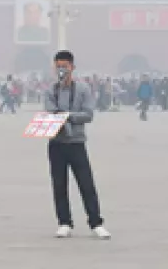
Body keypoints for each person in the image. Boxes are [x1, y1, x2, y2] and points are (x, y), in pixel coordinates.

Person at [44, 50, 111, 240]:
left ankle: (96, 223)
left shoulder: (83, 89)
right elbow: (50, 112)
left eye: (64, 66)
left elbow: (88, 114)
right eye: (58, 67)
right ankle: (64, 222)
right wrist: (66, 116)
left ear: (72, 67)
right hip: (56, 143)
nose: (61, 70)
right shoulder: (50, 90)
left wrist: (67, 116)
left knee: (86, 183)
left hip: (76, 143)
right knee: (59, 185)